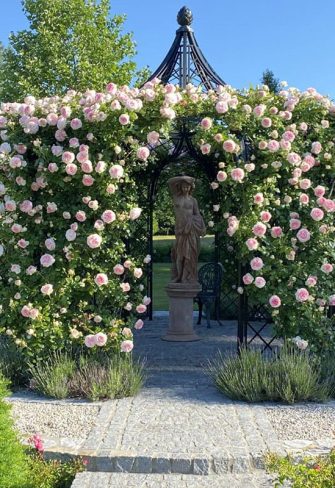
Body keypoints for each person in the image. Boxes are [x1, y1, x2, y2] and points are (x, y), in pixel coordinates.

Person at [167, 176, 206, 283]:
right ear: (180, 187)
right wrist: (186, 178)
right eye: (184, 186)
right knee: (179, 256)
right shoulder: (176, 197)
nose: (186, 189)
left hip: (190, 230)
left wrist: (192, 223)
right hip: (179, 230)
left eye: (188, 187)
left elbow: (197, 214)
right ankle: (178, 277)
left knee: (189, 255)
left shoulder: (193, 201)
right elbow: (170, 182)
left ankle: (186, 277)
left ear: (191, 188)